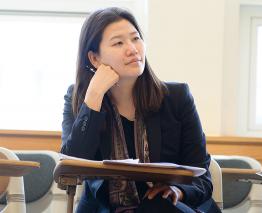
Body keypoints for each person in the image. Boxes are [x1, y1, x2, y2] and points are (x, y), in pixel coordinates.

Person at [61, 7, 221, 213]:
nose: (132, 49)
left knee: (156, 207)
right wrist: (93, 97)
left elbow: (202, 178)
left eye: (135, 39)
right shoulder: (80, 99)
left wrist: (178, 190)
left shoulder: (177, 97)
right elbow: (72, 167)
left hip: (169, 208)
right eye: (119, 43)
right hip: (107, 209)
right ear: (95, 58)